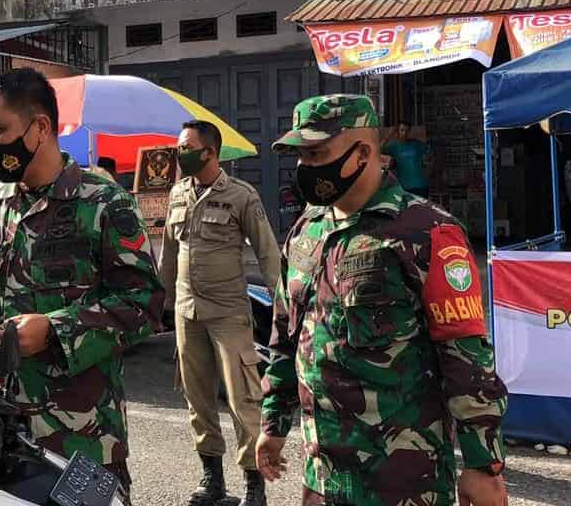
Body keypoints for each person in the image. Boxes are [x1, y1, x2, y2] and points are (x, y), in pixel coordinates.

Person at [255, 95, 508, 506]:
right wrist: (273, 423)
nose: (306, 168)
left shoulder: (426, 232)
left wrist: (482, 466)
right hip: (322, 474)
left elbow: (465, 358)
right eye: (301, 156)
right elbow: (285, 336)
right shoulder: (305, 232)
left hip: (402, 480)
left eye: (317, 153)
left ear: (363, 153)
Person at [0, 68, 165, 492]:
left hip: (81, 433)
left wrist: (56, 331)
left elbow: (144, 302)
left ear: (41, 128)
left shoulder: (103, 203)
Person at [160, 120, 282, 506]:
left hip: (228, 311)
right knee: (197, 399)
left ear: (210, 153)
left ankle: (253, 486)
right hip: (186, 311)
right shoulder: (178, 193)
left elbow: (267, 251)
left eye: (186, 148)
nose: (180, 154)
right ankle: (212, 479)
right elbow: (168, 253)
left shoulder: (241, 196)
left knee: (243, 398)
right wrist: (160, 302)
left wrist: (282, 305)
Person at [382, 121, 431, 197]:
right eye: (402, 130)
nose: (404, 133)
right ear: (397, 131)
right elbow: (377, 150)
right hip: (404, 187)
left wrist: (428, 168)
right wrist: (388, 135)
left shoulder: (416, 143)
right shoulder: (393, 147)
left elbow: (430, 154)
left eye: (407, 131)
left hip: (421, 185)